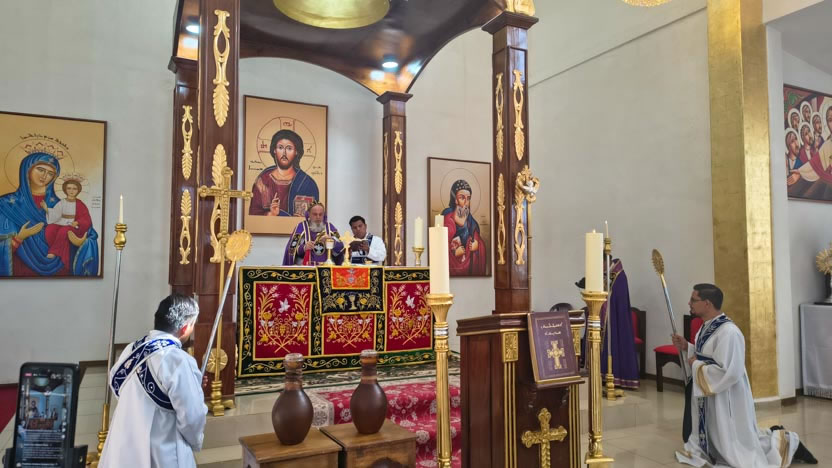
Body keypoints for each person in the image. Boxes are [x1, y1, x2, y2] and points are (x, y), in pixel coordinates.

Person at [672, 284, 817, 467]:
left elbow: (729, 371)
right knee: (719, 436)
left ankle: (788, 443)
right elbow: (707, 355)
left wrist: (696, 365)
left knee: (737, 444)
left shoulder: (729, 332)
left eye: (693, 299)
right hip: (712, 394)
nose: (689, 303)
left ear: (707, 303)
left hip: (727, 395)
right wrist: (688, 347)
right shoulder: (706, 327)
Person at [98, 294, 208, 468]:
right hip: (161, 449)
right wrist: (195, 440)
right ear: (185, 327)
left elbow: (116, 383)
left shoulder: (131, 349)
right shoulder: (178, 360)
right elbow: (192, 416)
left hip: (123, 441)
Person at [0, 151, 98, 277]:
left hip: (60, 274)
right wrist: (19, 238)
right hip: (21, 273)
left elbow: (89, 234)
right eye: (40, 170)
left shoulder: (61, 204)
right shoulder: (6, 205)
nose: (45, 176)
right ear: (27, 169)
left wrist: (81, 241)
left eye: (50, 173)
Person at [248, 129, 319, 217]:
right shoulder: (263, 181)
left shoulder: (306, 183)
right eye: (280, 148)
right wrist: (271, 214)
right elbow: (253, 216)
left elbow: (315, 217)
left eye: (289, 148)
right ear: (274, 150)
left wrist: (302, 219)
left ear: (296, 152)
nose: (284, 153)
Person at [44, 177, 94, 275]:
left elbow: (86, 219)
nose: (71, 191)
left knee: (64, 230)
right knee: (50, 229)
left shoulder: (80, 204)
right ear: (65, 190)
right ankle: (59, 250)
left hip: (74, 226)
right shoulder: (62, 202)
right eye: (69, 188)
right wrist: (46, 209)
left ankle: (54, 251)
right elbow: (55, 214)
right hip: (61, 222)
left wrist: (78, 222)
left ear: (78, 190)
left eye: (74, 188)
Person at [441, 179, 487, 275]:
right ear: (455, 199)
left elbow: (478, 239)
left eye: (468, 198)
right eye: (462, 198)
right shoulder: (447, 219)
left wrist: (477, 245)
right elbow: (440, 245)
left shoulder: (470, 221)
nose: (466, 202)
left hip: (468, 266)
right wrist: (454, 252)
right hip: (452, 266)